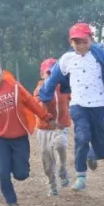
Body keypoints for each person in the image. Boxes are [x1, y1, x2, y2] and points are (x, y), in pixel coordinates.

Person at [37, 22, 104, 191]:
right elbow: (53, 78)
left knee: (103, 149)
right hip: (78, 105)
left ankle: (92, 156)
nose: (81, 46)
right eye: (76, 42)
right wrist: (44, 95)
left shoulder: (98, 54)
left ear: (91, 39)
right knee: (82, 137)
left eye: (84, 41)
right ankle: (81, 176)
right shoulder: (66, 59)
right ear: (71, 42)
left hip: (98, 106)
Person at [0, 60, 54, 206]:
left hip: (20, 138)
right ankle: (11, 202)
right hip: (1, 139)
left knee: (22, 174)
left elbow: (31, 102)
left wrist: (46, 117)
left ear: (2, 72)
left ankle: (15, 165)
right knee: (3, 174)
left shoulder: (15, 87)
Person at [33, 58, 72, 196]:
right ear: (42, 74)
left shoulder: (65, 87)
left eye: (55, 73)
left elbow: (73, 100)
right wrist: (44, 103)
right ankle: (52, 185)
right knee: (47, 160)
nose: (52, 76)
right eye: (48, 73)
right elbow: (37, 105)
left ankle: (62, 168)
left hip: (60, 127)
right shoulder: (39, 89)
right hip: (44, 128)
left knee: (60, 144)